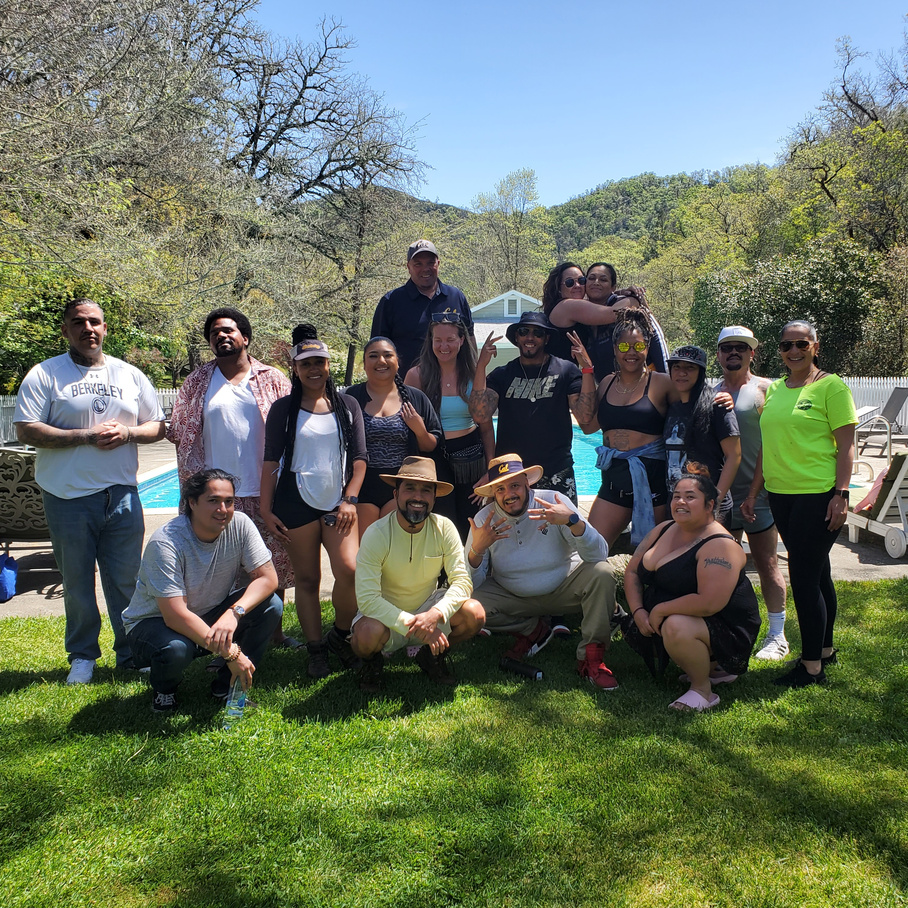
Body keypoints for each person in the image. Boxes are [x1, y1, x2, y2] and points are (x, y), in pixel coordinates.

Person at [14, 298, 165, 683]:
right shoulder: (45, 374)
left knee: (126, 580)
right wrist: (86, 436)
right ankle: (82, 655)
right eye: (78, 323)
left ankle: (131, 652)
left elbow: (157, 425)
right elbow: (27, 428)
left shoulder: (129, 375)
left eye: (95, 322)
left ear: (105, 328)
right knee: (77, 580)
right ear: (65, 330)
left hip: (123, 495)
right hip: (67, 496)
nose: (88, 329)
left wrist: (129, 432)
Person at [166, 307, 296, 647]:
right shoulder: (197, 382)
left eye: (229, 331)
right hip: (218, 494)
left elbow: (294, 426)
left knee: (271, 563)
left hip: (266, 488)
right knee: (221, 569)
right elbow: (179, 428)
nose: (221, 336)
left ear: (245, 338)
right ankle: (225, 636)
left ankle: (274, 634)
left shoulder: (273, 378)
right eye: (214, 334)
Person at [743, 320, 857, 688]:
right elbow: (766, 446)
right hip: (780, 495)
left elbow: (847, 447)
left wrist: (841, 494)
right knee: (818, 571)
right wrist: (754, 490)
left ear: (815, 346)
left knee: (805, 578)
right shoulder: (775, 390)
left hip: (818, 495)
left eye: (801, 344)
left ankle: (810, 667)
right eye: (786, 345)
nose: (793, 351)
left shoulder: (830, 387)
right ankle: (824, 650)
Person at [122, 469, 283, 712]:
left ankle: (226, 686)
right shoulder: (165, 543)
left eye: (229, 501)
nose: (223, 509)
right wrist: (232, 652)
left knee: (271, 605)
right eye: (213, 501)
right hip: (154, 624)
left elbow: (268, 579)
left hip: (208, 612)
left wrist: (234, 613)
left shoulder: (239, 524)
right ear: (192, 503)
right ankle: (165, 690)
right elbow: (175, 615)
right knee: (175, 649)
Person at [259, 325, 367, 679]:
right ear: (295, 368)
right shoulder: (283, 410)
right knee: (307, 579)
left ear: (328, 364)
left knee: (349, 571)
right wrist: (265, 508)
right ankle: (316, 649)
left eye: (319, 361)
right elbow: (271, 461)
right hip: (295, 503)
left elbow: (360, 459)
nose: (314, 369)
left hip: (338, 504)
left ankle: (340, 634)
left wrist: (350, 498)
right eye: (306, 363)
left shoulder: (347, 405)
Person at [466, 455, 621, 689]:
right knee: (465, 603)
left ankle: (592, 658)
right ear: (493, 493)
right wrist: (477, 549)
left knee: (602, 573)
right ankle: (533, 631)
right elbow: (472, 583)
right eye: (500, 489)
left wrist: (572, 521)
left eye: (515, 485)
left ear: (528, 483)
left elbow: (598, 554)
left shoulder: (554, 501)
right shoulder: (484, 519)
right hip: (513, 595)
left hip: (564, 587)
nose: (509, 494)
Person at [623, 465, 761, 711]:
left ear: (709, 505)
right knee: (667, 625)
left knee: (676, 626)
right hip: (669, 617)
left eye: (690, 497)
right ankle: (705, 665)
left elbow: (709, 603)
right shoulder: (663, 529)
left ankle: (703, 688)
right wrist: (638, 612)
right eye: (676, 496)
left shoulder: (720, 546)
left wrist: (660, 610)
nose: (680, 502)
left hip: (725, 627)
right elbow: (633, 571)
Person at [350, 456, 485, 692]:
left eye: (426, 490)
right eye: (410, 488)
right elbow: (367, 600)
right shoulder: (376, 534)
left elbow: (462, 582)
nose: (418, 497)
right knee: (365, 636)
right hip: (386, 617)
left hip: (427, 609)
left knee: (475, 614)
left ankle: (430, 656)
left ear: (434, 498)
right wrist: (415, 624)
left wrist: (435, 614)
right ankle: (372, 664)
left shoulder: (445, 528)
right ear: (396, 495)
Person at [714, 326, 789, 660]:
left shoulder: (767, 390)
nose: (734, 352)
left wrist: (755, 492)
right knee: (723, 566)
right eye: (727, 347)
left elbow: (772, 445)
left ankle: (777, 634)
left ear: (752, 353)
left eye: (741, 348)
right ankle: (729, 627)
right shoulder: (710, 391)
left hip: (756, 495)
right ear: (718, 353)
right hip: (721, 496)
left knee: (766, 561)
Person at [469, 311, 597, 505]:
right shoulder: (502, 375)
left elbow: (585, 416)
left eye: (537, 333)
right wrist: (481, 367)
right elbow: (480, 414)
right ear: (517, 337)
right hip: (511, 475)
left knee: (562, 533)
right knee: (512, 534)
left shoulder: (565, 371)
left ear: (546, 339)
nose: (530, 337)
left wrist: (587, 368)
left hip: (557, 472)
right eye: (524, 331)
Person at [578, 309, 675, 548]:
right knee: (592, 547)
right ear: (614, 349)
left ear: (646, 347)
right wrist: (588, 372)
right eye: (623, 347)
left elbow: (692, 407)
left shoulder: (662, 382)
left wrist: (720, 397)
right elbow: (588, 426)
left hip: (652, 480)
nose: (630, 353)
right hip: (614, 479)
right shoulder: (608, 383)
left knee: (654, 555)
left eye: (637, 346)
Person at [405, 314, 495, 540]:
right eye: (438, 340)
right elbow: (406, 426)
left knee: (470, 524)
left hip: (470, 457)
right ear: (431, 341)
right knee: (439, 525)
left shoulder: (475, 373)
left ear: (462, 340)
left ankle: (469, 575)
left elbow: (484, 424)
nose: (444, 346)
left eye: (451, 339)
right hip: (432, 455)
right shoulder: (417, 375)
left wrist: (490, 469)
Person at [345, 336, 442, 537]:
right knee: (367, 550)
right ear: (364, 364)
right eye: (373, 356)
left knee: (393, 548)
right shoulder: (350, 398)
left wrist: (419, 429)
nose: (381, 361)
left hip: (400, 485)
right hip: (362, 486)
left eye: (388, 355)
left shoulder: (415, 398)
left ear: (398, 362)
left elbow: (431, 445)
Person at [542, 261, 669, 377]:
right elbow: (612, 313)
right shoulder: (568, 306)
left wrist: (667, 378)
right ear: (559, 288)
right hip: (554, 379)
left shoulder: (588, 313)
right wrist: (634, 298)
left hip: (642, 383)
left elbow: (656, 339)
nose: (577, 285)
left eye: (581, 280)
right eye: (570, 282)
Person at [371, 239, 475, 375]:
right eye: (418, 264)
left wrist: (474, 374)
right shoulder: (391, 301)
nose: (425, 269)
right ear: (408, 267)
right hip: (405, 390)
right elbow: (377, 349)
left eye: (430, 263)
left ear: (438, 263)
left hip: (453, 387)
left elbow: (470, 339)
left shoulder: (456, 297)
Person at [663, 345, 741, 525]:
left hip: (709, 503)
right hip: (678, 503)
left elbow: (734, 455)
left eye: (689, 368)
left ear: (701, 372)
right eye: (677, 367)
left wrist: (715, 501)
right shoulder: (672, 407)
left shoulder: (717, 406)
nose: (682, 373)